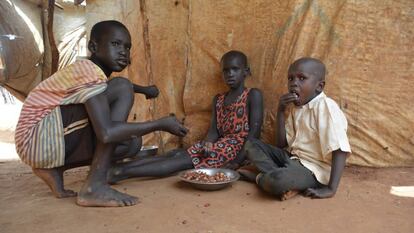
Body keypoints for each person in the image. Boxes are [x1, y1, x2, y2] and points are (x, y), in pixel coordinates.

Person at [14, 20, 188, 207]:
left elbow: (106, 85)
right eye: (115, 44)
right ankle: (94, 187)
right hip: (36, 136)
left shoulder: (87, 71)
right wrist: (160, 124)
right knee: (121, 91)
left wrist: (143, 90)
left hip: (38, 140)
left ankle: (56, 169)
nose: (123, 51)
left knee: (131, 143)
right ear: (93, 47)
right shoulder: (88, 72)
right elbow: (107, 132)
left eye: (127, 47)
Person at [107, 50, 263, 183]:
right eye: (226, 70)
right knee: (176, 153)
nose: (230, 74)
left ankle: (120, 173)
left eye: (235, 69)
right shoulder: (219, 99)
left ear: (246, 72)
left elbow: (253, 135)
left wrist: (236, 162)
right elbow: (214, 131)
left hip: (235, 151)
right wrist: (208, 143)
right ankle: (117, 167)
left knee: (181, 161)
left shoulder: (252, 95)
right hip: (219, 146)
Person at [242, 57, 351, 200]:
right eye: (290, 79)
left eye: (301, 78)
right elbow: (281, 145)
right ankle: (287, 181)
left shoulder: (326, 107)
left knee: (277, 181)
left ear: (319, 86)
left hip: (313, 169)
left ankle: (261, 178)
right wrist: (281, 111)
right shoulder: (297, 108)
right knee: (251, 144)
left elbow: (340, 149)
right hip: (292, 159)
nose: (294, 83)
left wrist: (330, 189)